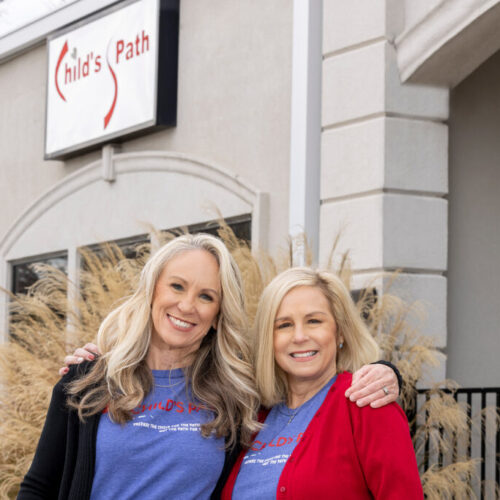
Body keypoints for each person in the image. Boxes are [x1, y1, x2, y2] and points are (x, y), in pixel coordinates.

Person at [20, 234, 401, 499]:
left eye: (206, 296)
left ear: (219, 314)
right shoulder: (88, 381)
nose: (187, 306)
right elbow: (39, 486)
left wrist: (388, 372)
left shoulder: (237, 396)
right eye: (177, 287)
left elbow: (304, 377)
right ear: (152, 291)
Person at [222, 267, 423, 499]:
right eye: (284, 325)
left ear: (340, 333)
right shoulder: (252, 417)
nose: (299, 336)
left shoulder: (368, 404)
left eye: (314, 321)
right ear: (269, 338)